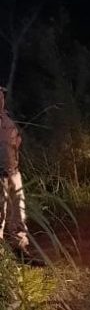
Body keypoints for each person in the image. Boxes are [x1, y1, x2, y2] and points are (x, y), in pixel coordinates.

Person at [0, 85, 30, 253]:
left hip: (13, 172)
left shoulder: (8, 119)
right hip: (0, 176)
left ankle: (20, 249)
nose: (0, 99)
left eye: (1, 95)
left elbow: (16, 141)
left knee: (18, 214)